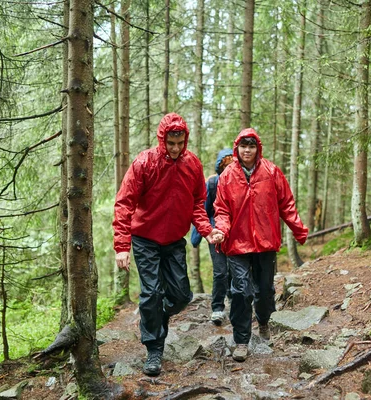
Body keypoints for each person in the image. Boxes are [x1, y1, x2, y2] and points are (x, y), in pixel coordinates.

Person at [113, 113, 223, 376]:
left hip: (174, 240)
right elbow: (124, 204)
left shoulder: (192, 164)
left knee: (182, 296)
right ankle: (154, 350)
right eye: (171, 143)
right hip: (145, 239)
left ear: (185, 140)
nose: (175, 148)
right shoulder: (144, 163)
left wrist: (207, 230)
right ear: (162, 139)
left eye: (180, 143)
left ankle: (154, 315)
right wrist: (121, 245)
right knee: (151, 293)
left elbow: (198, 203)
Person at [214, 128, 308, 362]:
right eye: (244, 146)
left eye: (251, 146)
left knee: (264, 291)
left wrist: (298, 229)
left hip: (266, 242)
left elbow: (286, 203)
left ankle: (264, 321)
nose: (247, 150)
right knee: (241, 291)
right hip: (236, 243)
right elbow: (222, 209)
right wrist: (222, 231)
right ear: (237, 148)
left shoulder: (272, 171)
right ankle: (242, 340)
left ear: (258, 148)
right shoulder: (227, 176)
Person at [190, 148, 234, 325]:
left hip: (235, 234)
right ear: (220, 166)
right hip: (215, 234)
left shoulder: (239, 183)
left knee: (234, 270)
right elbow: (202, 210)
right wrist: (198, 236)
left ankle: (234, 301)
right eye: (226, 164)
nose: (229, 168)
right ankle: (217, 308)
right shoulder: (212, 184)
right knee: (220, 271)